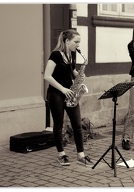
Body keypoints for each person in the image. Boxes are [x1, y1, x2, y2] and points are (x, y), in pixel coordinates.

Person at [44, 29, 93, 166]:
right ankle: (61, 154)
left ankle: (81, 155)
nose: (78, 45)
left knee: (77, 125)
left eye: (79, 42)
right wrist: (63, 89)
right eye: (76, 42)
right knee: (58, 126)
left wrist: (80, 75)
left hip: (71, 93)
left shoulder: (71, 54)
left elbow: (71, 71)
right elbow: (47, 76)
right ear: (67, 41)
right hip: (56, 93)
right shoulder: (55, 55)